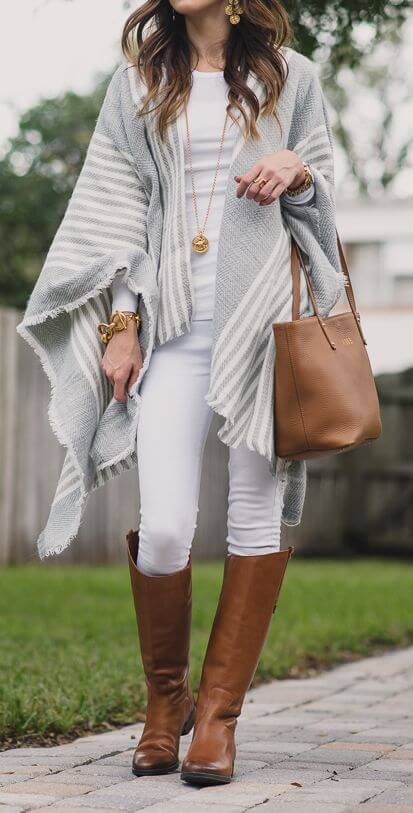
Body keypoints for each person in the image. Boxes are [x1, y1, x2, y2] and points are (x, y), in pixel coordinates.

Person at [17, 0, 344, 787]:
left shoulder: (288, 76)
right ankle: (167, 704)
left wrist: (295, 168)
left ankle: (218, 722)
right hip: (170, 325)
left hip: (263, 323)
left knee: (252, 515)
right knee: (163, 526)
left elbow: (324, 181)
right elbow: (118, 208)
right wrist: (120, 322)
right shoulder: (137, 84)